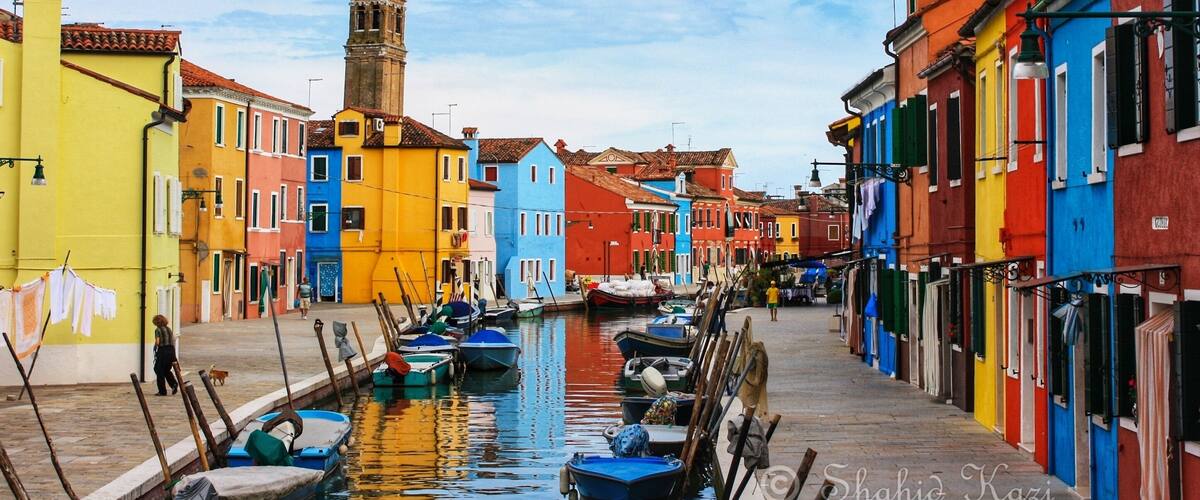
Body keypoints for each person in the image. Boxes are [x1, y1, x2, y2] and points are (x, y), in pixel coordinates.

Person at [152, 314, 178, 396]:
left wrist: (155, 346)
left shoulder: (158, 330)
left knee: (158, 370)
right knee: (166, 369)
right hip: (171, 351)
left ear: (156, 322)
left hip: (163, 351)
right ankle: (173, 384)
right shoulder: (169, 329)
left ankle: (162, 391)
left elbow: (158, 342)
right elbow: (173, 340)